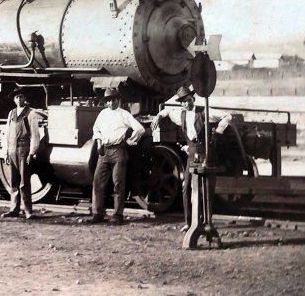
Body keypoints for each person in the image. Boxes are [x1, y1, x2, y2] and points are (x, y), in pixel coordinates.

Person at [151, 85, 232, 231]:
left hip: (206, 152)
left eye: (188, 100)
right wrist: (158, 116)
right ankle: (189, 222)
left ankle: (207, 221)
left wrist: (218, 131)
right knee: (186, 187)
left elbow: (227, 116)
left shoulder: (204, 112)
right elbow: (167, 111)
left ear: (192, 99)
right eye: (183, 102)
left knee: (206, 188)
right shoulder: (180, 114)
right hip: (192, 154)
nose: (186, 104)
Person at [90, 88, 145, 224]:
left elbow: (140, 129)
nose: (110, 103)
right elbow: (96, 129)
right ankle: (97, 213)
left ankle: (117, 215)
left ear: (118, 100)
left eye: (113, 100)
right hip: (104, 151)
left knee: (118, 184)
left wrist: (130, 140)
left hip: (118, 152)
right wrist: (98, 144)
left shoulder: (124, 114)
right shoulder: (102, 114)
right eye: (108, 100)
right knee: (98, 182)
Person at [0, 88, 44, 220]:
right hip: (12, 149)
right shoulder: (11, 113)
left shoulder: (31, 114)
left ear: (25, 99)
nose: (19, 99)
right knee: (13, 181)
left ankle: (28, 210)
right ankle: (14, 209)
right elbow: (7, 133)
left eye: (21, 96)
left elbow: (35, 135)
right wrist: (5, 151)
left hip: (24, 149)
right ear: (14, 100)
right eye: (16, 97)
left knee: (24, 181)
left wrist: (32, 152)